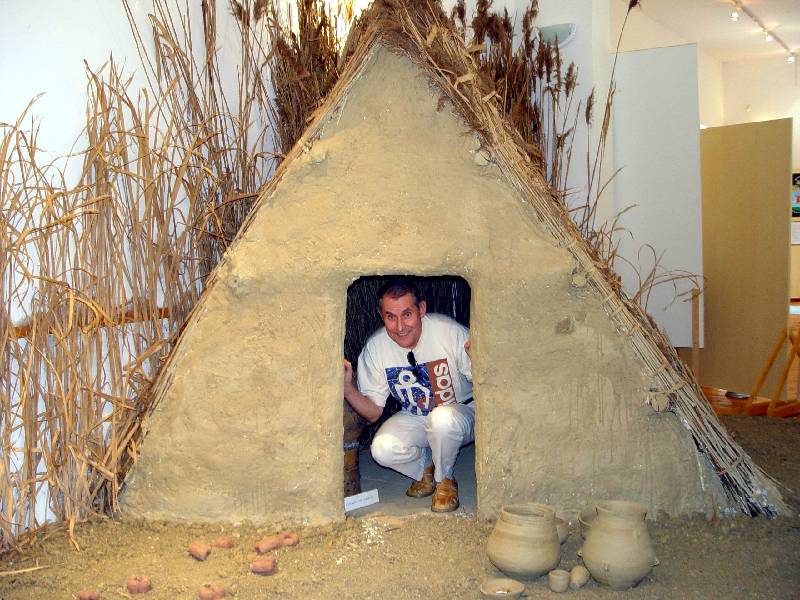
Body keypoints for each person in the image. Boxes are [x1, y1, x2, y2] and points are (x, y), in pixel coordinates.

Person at [343, 278, 474, 512]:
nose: (400, 327)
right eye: (391, 317)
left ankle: (445, 480)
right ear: (381, 315)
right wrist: (347, 388)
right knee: (382, 448)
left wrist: (481, 362)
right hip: (417, 415)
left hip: (463, 412)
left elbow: (488, 383)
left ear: (421, 309)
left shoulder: (450, 332)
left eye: (407, 314)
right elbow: (372, 413)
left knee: (442, 419)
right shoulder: (376, 347)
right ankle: (426, 469)